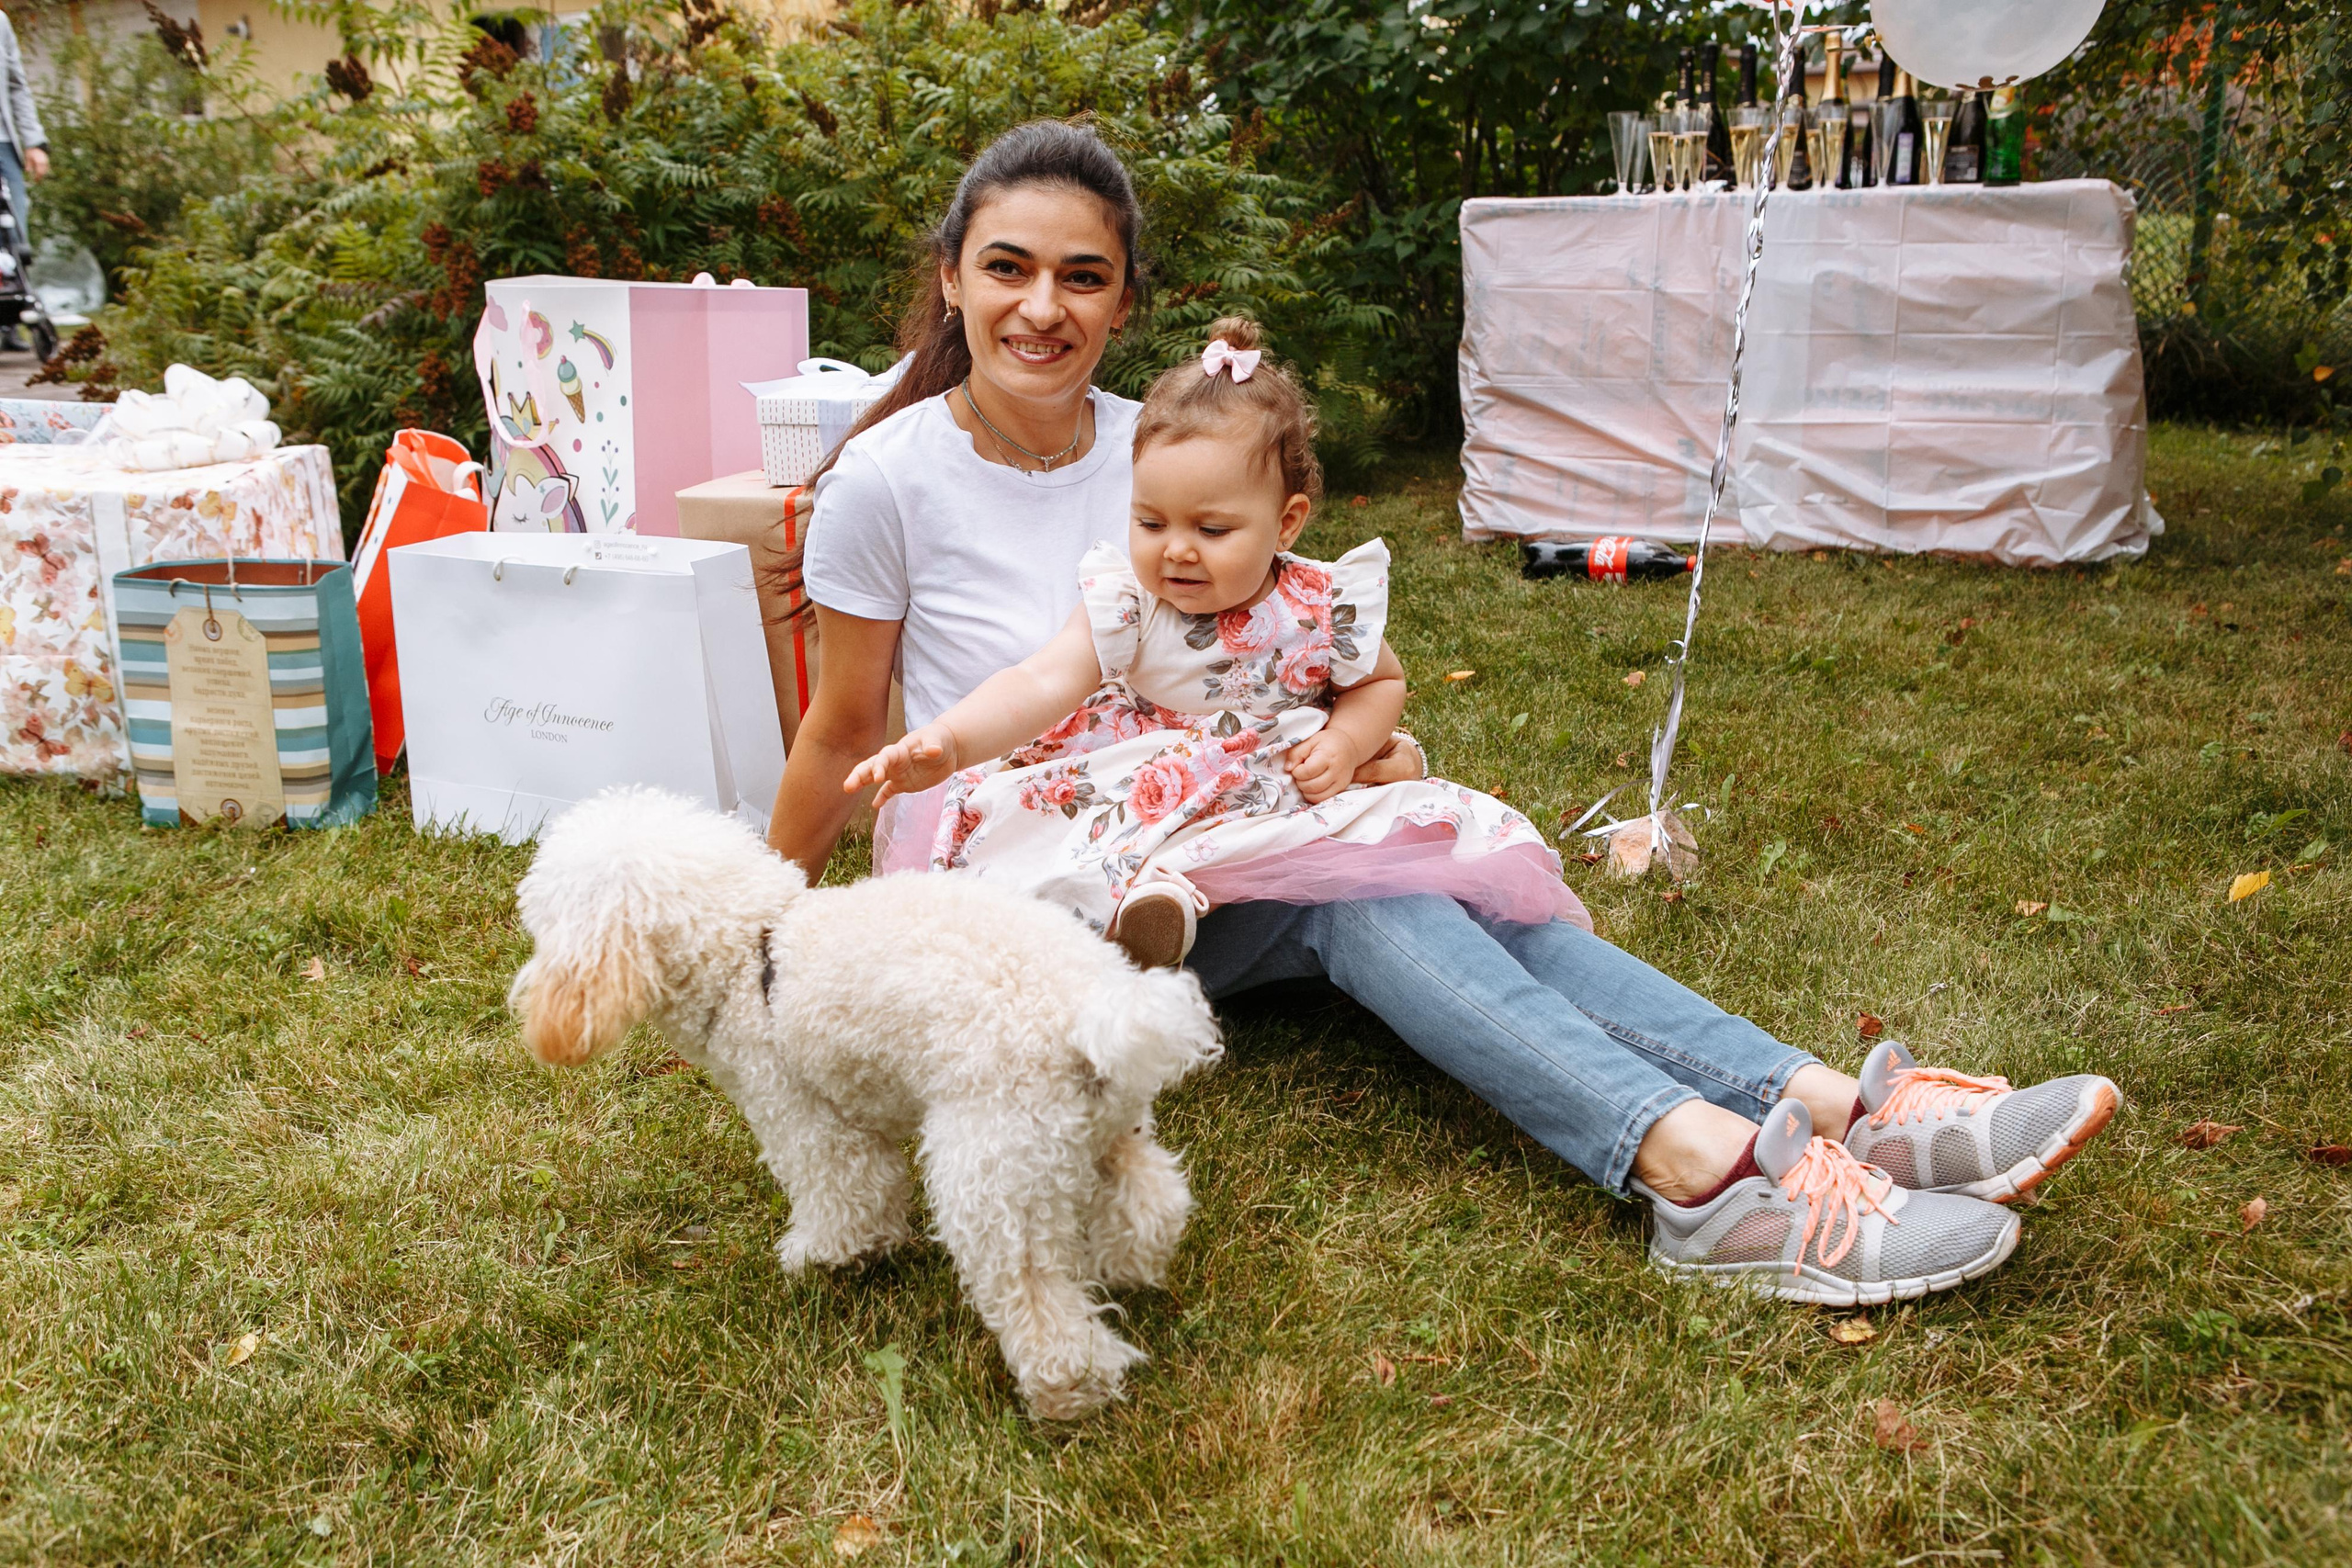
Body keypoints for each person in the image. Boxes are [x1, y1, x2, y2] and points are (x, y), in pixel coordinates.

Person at [767, 119, 2119, 1305]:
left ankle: (1839, 1107)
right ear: (951, 276)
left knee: (1406, 876)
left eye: (1083, 275)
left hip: (1216, 816)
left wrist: (1360, 741)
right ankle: (1701, 1171)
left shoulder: (1162, 441)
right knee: (1375, 896)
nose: (1040, 307)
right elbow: (840, 731)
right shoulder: (889, 480)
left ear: (1125, 301)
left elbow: (1271, 647)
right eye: (1006, 266)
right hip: (1047, 882)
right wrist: (769, 937)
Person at [844, 314, 1584, 969]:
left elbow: (1380, 683)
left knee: (1349, 837)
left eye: (1212, 529)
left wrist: (1353, 744)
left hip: (1269, 786)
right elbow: (1040, 682)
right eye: (1151, 522)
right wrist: (947, 738)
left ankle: (1160, 904)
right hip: (1145, 784)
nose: (1176, 551)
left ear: (1286, 522)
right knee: (1066, 850)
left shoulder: (1322, 603)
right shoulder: (1129, 604)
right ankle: (1148, 909)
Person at [0, 6, 46, 353]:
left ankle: (10, 320)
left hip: (4, 147)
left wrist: (33, 142)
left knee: (15, 237)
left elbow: (17, 85)